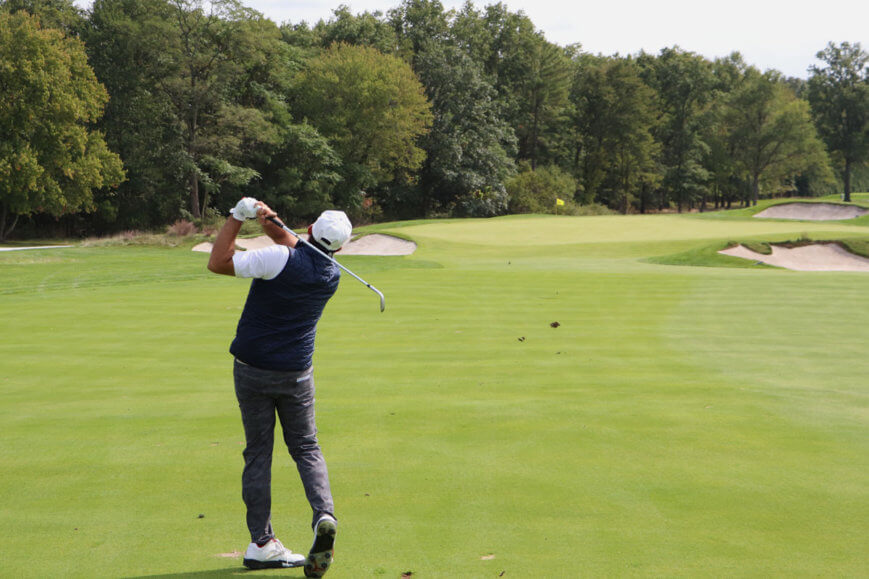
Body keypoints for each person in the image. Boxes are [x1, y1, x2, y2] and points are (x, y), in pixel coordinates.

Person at [208, 197, 351, 577]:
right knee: (306, 446)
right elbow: (294, 245)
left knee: (258, 453)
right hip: (297, 374)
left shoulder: (277, 259)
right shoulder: (332, 274)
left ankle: (261, 543)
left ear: (310, 230)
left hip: (253, 369)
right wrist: (266, 217)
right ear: (341, 247)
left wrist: (237, 217)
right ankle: (324, 514)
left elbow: (218, 262)